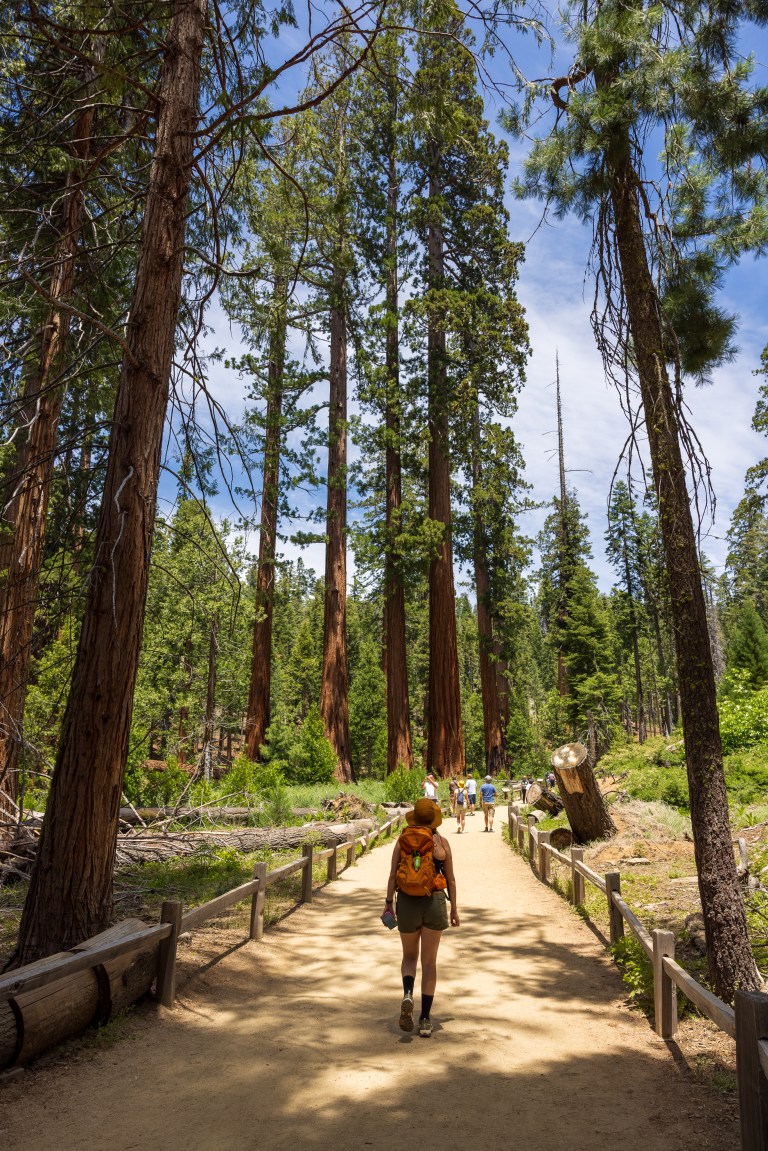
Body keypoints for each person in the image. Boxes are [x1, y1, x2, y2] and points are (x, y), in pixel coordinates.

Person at [384, 799, 459, 1038]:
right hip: (434, 902)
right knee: (429, 962)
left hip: (407, 902)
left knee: (409, 957)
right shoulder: (441, 843)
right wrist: (454, 909)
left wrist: (388, 903)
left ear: (415, 818)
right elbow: (451, 879)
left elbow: (392, 875)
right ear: (434, 820)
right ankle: (425, 1019)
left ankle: (408, 993)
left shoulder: (402, 841)